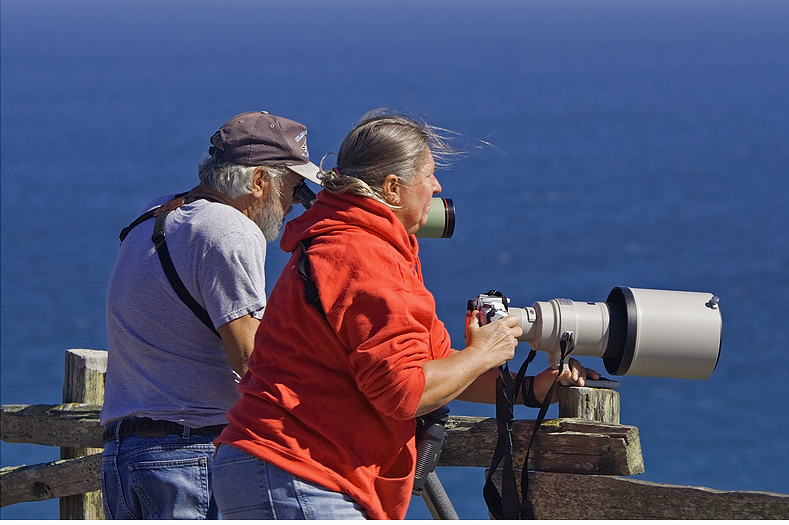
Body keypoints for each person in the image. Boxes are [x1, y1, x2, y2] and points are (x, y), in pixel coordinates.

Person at [211, 109, 598, 520]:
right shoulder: (361, 254)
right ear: (393, 189)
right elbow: (405, 393)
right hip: (298, 471)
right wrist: (485, 352)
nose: (437, 185)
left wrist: (531, 390)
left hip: (287, 470)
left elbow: (435, 371)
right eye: (428, 174)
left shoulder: (361, 243)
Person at [99, 111, 323, 520]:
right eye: (294, 187)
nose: (295, 203)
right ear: (259, 182)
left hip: (124, 453)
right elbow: (250, 359)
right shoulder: (229, 229)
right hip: (187, 454)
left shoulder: (154, 216)